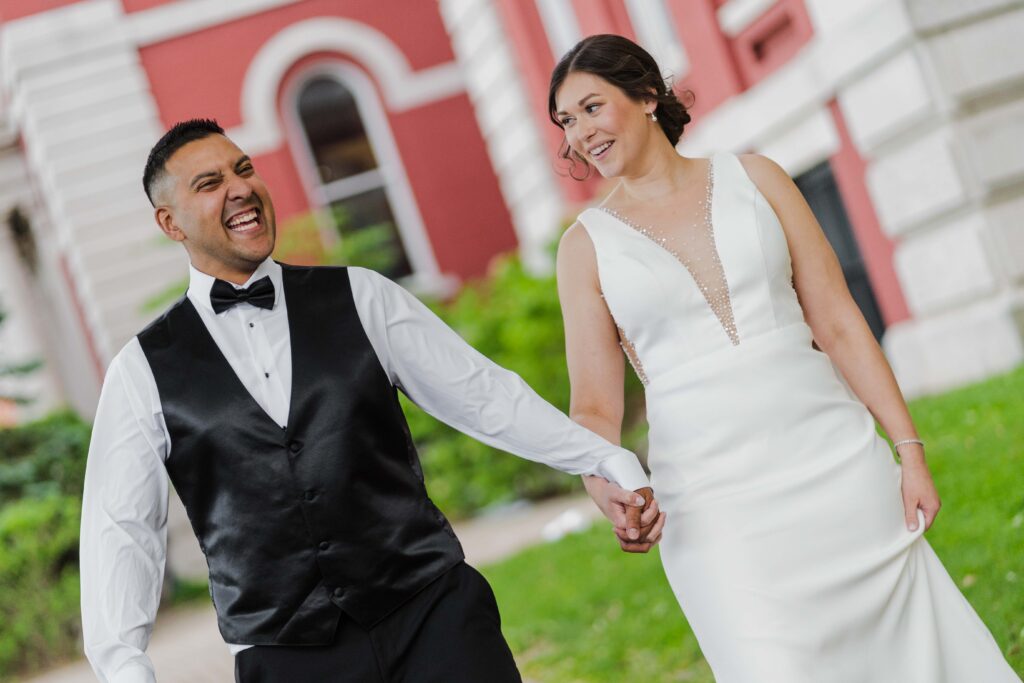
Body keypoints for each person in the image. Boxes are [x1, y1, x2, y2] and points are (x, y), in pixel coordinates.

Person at [78, 118, 663, 683]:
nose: (240, 188)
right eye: (210, 184)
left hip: (434, 618)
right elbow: (120, 524)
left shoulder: (361, 295)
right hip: (288, 659)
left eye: (244, 169)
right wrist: (124, 665)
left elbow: (482, 394)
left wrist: (599, 457)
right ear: (170, 223)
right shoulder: (141, 369)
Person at [550, 34, 1020, 682]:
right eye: (566, 121)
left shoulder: (756, 177)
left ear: (647, 94)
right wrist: (609, 491)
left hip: (837, 467)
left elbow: (839, 320)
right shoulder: (584, 248)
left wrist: (908, 448)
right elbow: (595, 409)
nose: (579, 134)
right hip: (715, 509)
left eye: (591, 107)